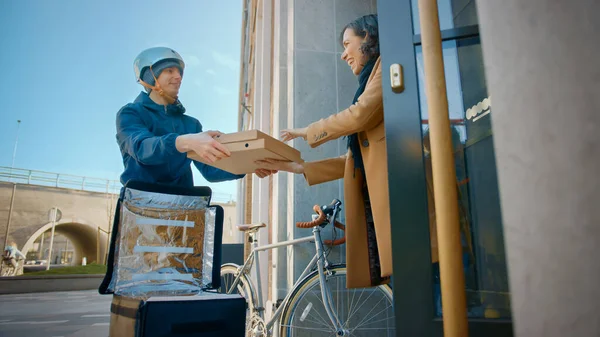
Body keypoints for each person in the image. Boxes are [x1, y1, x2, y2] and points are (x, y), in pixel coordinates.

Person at [256, 15, 391, 288]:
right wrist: (294, 166)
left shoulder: (387, 67)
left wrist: (309, 131)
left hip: (402, 210)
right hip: (385, 215)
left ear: (367, 37)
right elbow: (353, 161)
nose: (342, 55)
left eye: (346, 44)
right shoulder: (369, 80)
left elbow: (359, 115)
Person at [116, 47, 274, 188]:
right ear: (151, 77)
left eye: (179, 72)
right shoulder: (130, 113)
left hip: (184, 206)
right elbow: (142, 148)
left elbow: (210, 170)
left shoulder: (191, 125)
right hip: (140, 203)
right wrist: (185, 142)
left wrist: (247, 165)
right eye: (169, 70)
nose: (178, 76)